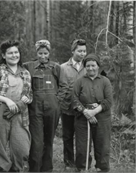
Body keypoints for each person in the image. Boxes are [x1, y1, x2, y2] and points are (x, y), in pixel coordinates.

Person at [0, 40, 33, 172]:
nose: (14, 55)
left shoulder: (25, 73)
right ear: (4, 56)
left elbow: (29, 95)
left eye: (16, 52)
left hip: (19, 113)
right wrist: (6, 100)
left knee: (22, 148)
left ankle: (16, 169)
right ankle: (4, 169)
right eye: (10, 53)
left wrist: (20, 104)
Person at [23, 39, 61, 172]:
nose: (43, 56)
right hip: (35, 109)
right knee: (37, 141)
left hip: (53, 108)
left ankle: (47, 169)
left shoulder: (56, 67)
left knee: (49, 139)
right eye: (40, 53)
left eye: (45, 53)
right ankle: (34, 168)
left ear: (49, 53)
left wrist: (58, 101)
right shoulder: (28, 66)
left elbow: (62, 86)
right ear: (36, 52)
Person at [72, 53, 113, 172]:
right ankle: (82, 169)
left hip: (102, 119)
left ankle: (102, 168)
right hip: (82, 119)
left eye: (93, 65)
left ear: (98, 66)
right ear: (85, 67)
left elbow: (109, 101)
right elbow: (74, 99)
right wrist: (86, 112)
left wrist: (94, 112)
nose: (90, 68)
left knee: (102, 146)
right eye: (88, 66)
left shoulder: (105, 81)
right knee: (82, 147)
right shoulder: (79, 82)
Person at [58, 39, 87, 169]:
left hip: (83, 108)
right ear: (73, 51)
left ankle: (83, 162)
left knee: (82, 137)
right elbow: (59, 87)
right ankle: (68, 162)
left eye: (84, 51)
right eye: (79, 51)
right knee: (67, 136)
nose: (82, 54)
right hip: (67, 108)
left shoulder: (88, 67)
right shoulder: (63, 68)